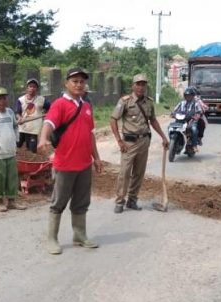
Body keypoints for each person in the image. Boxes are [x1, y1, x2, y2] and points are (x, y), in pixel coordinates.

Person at [38, 67, 103, 255]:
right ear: (66, 83)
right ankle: (52, 238)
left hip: (84, 164)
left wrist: (96, 158)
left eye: (82, 81)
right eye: (75, 81)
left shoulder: (87, 106)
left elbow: (90, 135)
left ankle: (79, 235)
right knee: (58, 202)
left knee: (81, 202)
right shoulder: (59, 104)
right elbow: (49, 123)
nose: (79, 84)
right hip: (65, 164)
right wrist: (43, 139)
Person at [110, 73, 169, 213]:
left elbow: (153, 120)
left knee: (139, 173)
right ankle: (119, 201)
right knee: (125, 172)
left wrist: (163, 137)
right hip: (128, 143)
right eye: (138, 84)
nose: (141, 87)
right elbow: (113, 120)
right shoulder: (125, 101)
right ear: (133, 85)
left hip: (144, 141)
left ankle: (132, 200)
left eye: (143, 84)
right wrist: (119, 141)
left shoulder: (148, 102)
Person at [15, 78, 50, 153]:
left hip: (34, 129)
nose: (32, 88)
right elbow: (18, 112)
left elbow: (50, 108)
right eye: (30, 86)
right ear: (27, 88)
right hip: (22, 128)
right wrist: (20, 118)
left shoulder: (42, 100)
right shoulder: (20, 100)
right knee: (17, 146)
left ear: (37, 89)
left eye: (34, 87)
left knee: (32, 150)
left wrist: (47, 115)